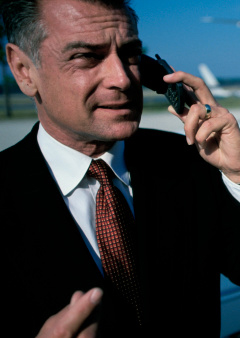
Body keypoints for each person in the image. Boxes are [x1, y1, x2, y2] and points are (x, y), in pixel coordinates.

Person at [1, 0, 240, 337]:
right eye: (87, 56)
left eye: (129, 54)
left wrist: (238, 175)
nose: (124, 80)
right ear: (24, 70)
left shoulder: (192, 160)